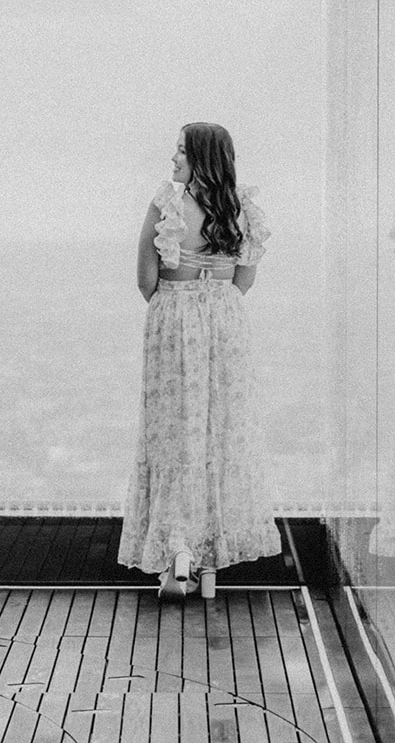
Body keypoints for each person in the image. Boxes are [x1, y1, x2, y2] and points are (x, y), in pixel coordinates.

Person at [117, 123, 281, 599]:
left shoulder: (166, 206)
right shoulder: (242, 210)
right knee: (221, 434)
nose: (173, 159)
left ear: (202, 159)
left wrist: (177, 305)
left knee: (172, 434)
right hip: (226, 321)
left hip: (174, 315)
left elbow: (146, 280)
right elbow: (243, 281)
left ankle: (179, 552)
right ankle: (210, 566)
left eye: (182, 152)